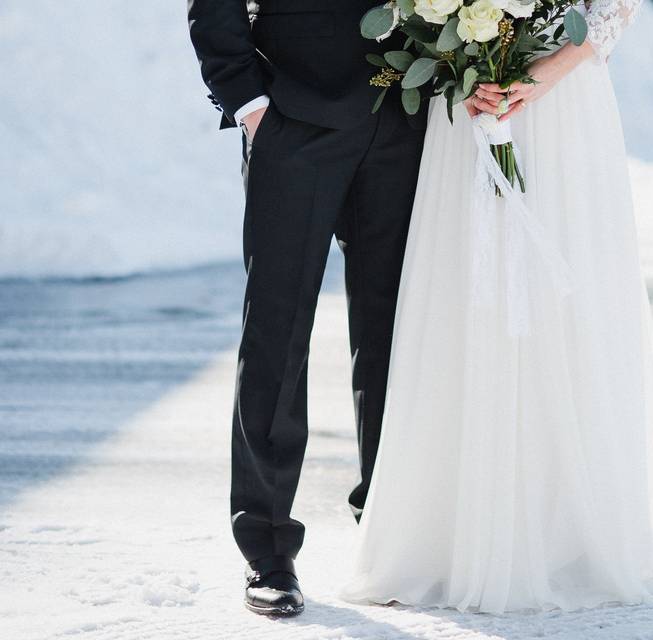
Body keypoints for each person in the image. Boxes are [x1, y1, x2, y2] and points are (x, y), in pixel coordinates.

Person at [342, 0, 653, 613]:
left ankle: (566, 519)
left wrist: (536, 78)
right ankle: (447, 526)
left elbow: (614, 9)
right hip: (465, 97)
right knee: (465, 285)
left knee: (559, 291)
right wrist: (455, 53)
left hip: (563, 105)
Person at [187, 0, 426, 616]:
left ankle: (388, 530)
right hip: (292, 112)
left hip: (407, 112)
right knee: (278, 329)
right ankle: (268, 550)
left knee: (397, 333)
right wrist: (247, 100)